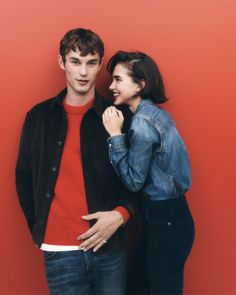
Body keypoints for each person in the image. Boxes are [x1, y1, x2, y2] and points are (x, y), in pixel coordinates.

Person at [15, 29, 139, 295]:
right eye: (75, 62)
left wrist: (121, 214)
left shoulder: (119, 118)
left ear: (99, 65)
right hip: (59, 252)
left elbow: (140, 177)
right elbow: (24, 178)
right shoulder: (38, 117)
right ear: (62, 63)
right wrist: (42, 228)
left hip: (109, 248)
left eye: (91, 63)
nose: (83, 72)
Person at [102, 51, 195, 295]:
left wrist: (115, 135)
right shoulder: (156, 115)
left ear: (140, 84)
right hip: (169, 218)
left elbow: (133, 181)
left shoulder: (142, 123)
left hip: (166, 222)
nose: (111, 86)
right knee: (139, 286)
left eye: (118, 80)